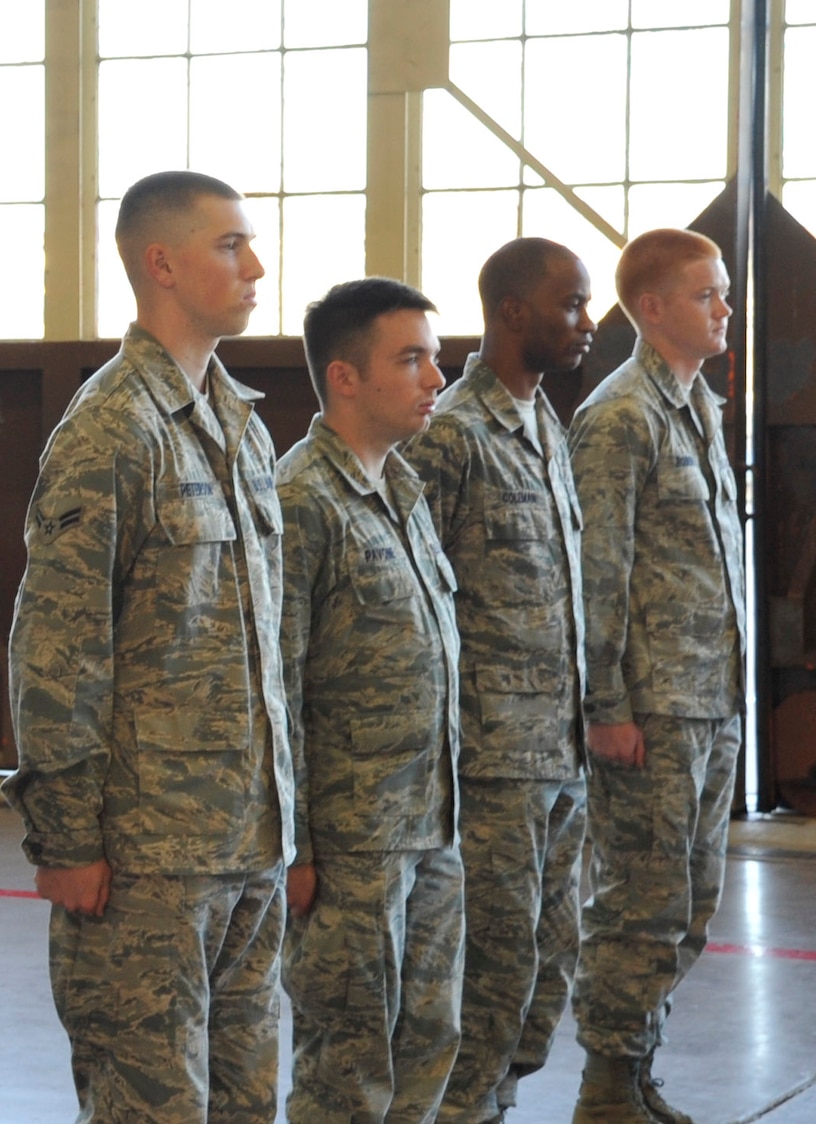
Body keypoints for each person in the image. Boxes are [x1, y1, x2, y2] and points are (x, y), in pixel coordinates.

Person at [4, 170, 294, 1123]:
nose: (255, 267)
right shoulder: (112, 429)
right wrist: (67, 839)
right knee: (149, 1107)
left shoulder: (240, 424)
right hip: (147, 859)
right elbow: (57, 651)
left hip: (247, 840)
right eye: (230, 246)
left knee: (247, 1102)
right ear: (161, 264)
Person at [404, 238, 595, 1123]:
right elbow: (411, 596)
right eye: (571, 304)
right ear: (514, 312)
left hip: (559, 751)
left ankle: (495, 1102)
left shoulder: (547, 426)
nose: (586, 322)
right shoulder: (452, 434)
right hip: (488, 763)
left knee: (548, 964)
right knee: (490, 968)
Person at [567, 229, 746, 1124]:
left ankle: (635, 1072)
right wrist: (606, 705)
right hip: (654, 708)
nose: (725, 308)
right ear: (651, 307)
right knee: (641, 903)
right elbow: (598, 571)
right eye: (707, 294)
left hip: (710, 700)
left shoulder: (697, 404)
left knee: (690, 905)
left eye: (724, 292)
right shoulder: (620, 416)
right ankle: (605, 1089)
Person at [278, 277, 463, 1124]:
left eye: (435, 357)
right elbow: (277, 687)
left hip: (428, 823)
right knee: (348, 1065)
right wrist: (296, 847)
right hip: (352, 843)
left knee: (428, 1039)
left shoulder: (402, 490)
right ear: (345, 377)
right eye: (412, 359)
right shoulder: (300, 501)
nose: (437, 378)